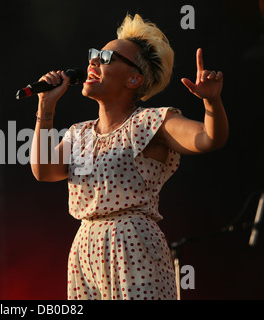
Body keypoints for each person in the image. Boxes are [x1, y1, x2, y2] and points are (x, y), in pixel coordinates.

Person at [30, 14, 228, 300]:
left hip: (131, 244)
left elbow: (210, 138)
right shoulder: (79, 134)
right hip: (85, 251)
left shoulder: (151, 122)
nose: (94, 62)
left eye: (107, 57)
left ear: (135, 78)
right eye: (94, 55)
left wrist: (212, 101)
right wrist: (46, 107)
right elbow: (43, 171)